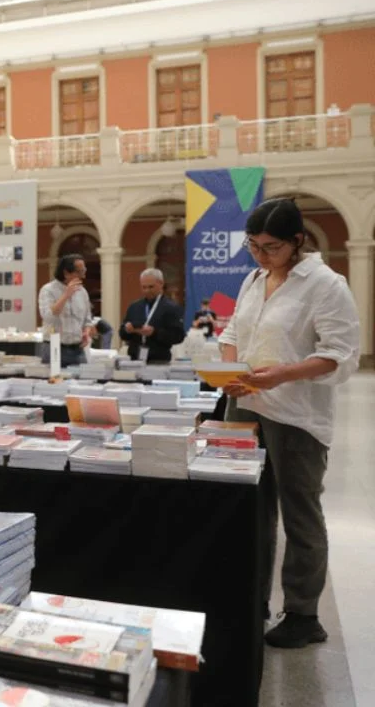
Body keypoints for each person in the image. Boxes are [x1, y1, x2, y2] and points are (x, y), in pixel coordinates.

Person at [219, 198, 360, 649]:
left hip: (295, 415)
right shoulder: (253, 279)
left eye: (271, 247)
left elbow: (341, 356)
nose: (261, 256)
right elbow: (232, 334)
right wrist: (229, 371)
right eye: (253, 247)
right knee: (246, 507)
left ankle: (302, 613)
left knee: (300, 513)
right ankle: (251, 596)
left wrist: (283, 373)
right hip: (246, 408)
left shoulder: (325, 284)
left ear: (297, 241)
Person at [38, 254, 94, 368]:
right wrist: (66, 295)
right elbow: (48, 316)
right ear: (66, 273)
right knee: (54, 383)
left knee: (82, 382)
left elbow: (87, 320)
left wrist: (86, 332)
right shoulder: (48, 290)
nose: (83, 275)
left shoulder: (82, 292)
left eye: (84, 270)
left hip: (78, 349)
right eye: (79, 272)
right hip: (54, 347)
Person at [119, 268, 186, 363]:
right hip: (134, 360)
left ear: (161, 284)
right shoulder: (134, 307)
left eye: (151, 287)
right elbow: (122, 333)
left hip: (159, 360)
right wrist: (127, 330)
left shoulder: (171, 308)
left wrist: (154, 333)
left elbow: (178, 336)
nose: (147, 291)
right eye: (144, 287)